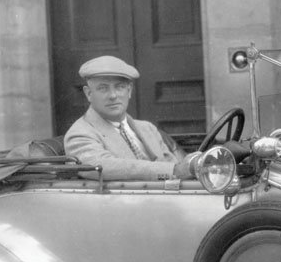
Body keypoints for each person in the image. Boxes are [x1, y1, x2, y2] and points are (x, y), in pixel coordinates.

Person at [64, 55, 196, 180]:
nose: (113, 95)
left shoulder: (147, 128)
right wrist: (173, 171)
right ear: (88, 93)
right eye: (103, 88)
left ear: (130, 90)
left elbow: (173, 165)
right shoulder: (80, 134)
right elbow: (103, 167)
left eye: (120, 87)